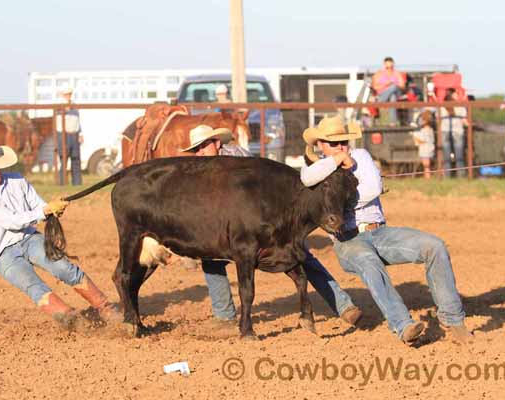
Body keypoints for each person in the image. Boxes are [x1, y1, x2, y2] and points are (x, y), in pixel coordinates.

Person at [300, 116, 473, 345]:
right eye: (334, 144)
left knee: (435, 246)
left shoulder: (361, 156)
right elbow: (306, 177)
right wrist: (337, 160)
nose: (341, 147)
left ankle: (452, 319)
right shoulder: (315, 167)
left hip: (380, 232)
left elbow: (373, 188)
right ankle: (403, 326)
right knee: (369, 262)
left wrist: (339, 202)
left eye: (344, 142)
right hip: (349, 241)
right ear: (320, 144)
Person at [180, 125, 363, 326]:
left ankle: (343, 305)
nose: (199, 152)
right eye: (195, 149)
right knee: (212, 258)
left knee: (300, 255)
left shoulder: (236, 158)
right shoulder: (205, 168)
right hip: (234, 223)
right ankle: (224, 315)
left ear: (216, 143)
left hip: (270, 219)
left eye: (203, 146)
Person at [0, 141, 122, 330]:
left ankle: (105, 307)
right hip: (3, 252)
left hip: (29, 238)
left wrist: (51, 209)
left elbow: (37, 205)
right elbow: (12, 221)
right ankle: (70, 319)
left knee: (64, 268)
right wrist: (45, 210)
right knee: (32, 285)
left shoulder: (17, 180)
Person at [55, 88, 83, 185]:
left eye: (70, 94)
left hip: (74, 134)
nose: (69, 96)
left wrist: (80, 133)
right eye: (67, 94)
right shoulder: (59, 105)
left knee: (76, 159)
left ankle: (77, 183)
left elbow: (77, 121)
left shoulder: (74, 105)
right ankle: (62, 183)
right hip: (63, 135)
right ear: (63, 95)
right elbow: (57, 112)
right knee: (64, 158)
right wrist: (64, 108)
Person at [440, 88, 468, 178]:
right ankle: (461, 175)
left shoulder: (441, 106)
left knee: (446, 156)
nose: (457, 95)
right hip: (458, 132)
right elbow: (464, 121)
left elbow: (438, 118)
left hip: (445, 131)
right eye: (456, 94)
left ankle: (447, 176)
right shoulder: (460, 106)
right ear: (453, 95)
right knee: (459, 156)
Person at [372, 57, 406, 125]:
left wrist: (393, 85)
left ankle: (380, 103)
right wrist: (386, 84)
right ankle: (393, 122)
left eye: (391, 66)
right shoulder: (379, 74)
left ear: (393, 64)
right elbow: (375, 87)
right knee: (392, 97)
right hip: (383, 94)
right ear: (384, 65)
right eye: (387, 66)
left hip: (396, 93)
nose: (389, 68)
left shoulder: (397, 74)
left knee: (393, 88)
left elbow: (402, 86)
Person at [413, 110, 435, 179]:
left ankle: (428, 177)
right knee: (426, 166)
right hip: (428, 149)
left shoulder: (425, 130)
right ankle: (427, 176)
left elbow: (422, 140)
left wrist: (415, 138)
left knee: (426, 165)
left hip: (425, 150)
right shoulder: (430, 129)